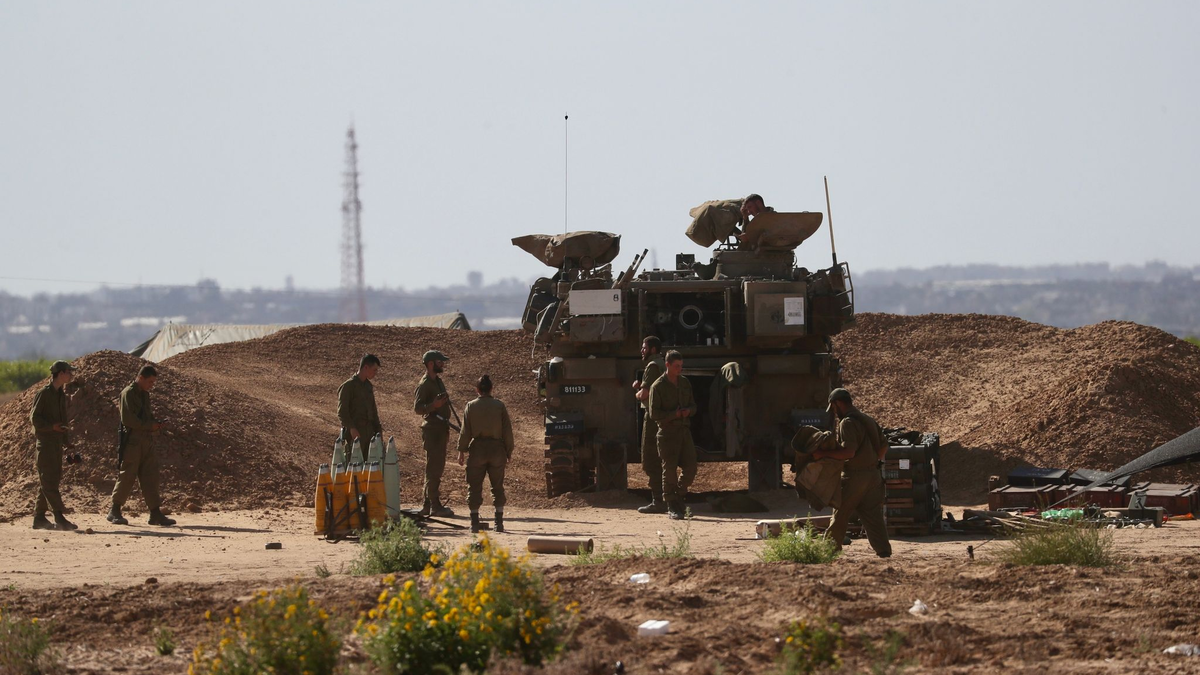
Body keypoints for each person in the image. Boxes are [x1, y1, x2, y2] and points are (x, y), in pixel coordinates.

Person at [813, 388, 891, 557]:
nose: (834, 412)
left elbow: (849, 452)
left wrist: (823, 454)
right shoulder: (868, 419)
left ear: (838, 403)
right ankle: (884, 552)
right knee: (873, 516)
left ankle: (829, 551)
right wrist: (872, 461)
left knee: (840, 514)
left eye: (833, 408)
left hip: (854, 476)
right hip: (874, 476)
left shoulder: (847, 423)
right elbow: (884, 446)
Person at [108, 365, 175, 527]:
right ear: (141, 378)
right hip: (133, 442)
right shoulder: (128, 393)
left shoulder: (144, 395)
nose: (151, 385)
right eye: (150, 381)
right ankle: (114, 510)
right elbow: (128, 420)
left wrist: (156, 424)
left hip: (146, 441)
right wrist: (148, 426)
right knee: (127, 475)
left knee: (150, 477)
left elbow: (147, 416)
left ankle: (155, 513)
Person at [456, 374, 514, 533]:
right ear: (491, 389)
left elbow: (465, 432)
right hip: (497, 449)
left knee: (474, 486)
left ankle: (474, 523)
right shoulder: (499, 406)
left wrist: (461, 451)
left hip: (477, 450)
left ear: (477, 390)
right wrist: (509, 451)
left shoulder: (470, 406)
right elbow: (507, 431)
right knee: (497, 486)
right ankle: (499, 523)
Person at [648, 350, 697, 520]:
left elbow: (694, 406)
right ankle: (671, 504)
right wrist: (673, 415)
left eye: (681, 366)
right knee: (669, 470)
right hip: (667, 433)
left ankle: (678, 495)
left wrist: (688, 411)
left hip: (684, 431)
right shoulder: (658, 386)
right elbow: (654, 414)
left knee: (691, 467)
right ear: (667, 365)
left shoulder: (684, 383)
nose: (680, 369)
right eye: (676, 366)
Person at [29, 360, 77, 531]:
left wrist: (66, 441)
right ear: (61, 373)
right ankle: (59, 516)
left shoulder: (60, 394)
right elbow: (34, 419)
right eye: (69, 372)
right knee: (49, 481)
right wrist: (51, 427)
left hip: (56, 443)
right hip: (46, 444)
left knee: (50, 481)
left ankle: (39, 518)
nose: (71, 375)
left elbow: (62, 421)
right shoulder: (44, 394)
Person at [413, 350, 454, 517]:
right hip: (432, 430)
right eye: (439, 362)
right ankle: (434, 505)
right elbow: (417, 408)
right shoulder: (424, 385)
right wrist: (433, 406)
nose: (442, 364)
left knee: (436, 468)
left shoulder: (437, 381)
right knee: (433, 469)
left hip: (440, 429)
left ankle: (428, 504)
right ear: (430, 364)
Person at [632, 336, 667, 514]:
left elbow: (644, 394)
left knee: (650, 458)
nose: (642, 350)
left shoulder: (652, 366)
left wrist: (637, 390)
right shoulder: (663, 364)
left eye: (644, 347)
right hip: (665, 416)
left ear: (653, 349)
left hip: (653, 416)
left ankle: (658, 501)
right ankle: (669, 498)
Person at [337, 354, 384, 460]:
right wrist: (352, 428)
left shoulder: (368, 386)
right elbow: (342, 412)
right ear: (366, 367)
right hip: (355, 433)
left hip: (369, 432)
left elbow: (373, 410)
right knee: (354, 466)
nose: (375, 373)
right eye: (374, 370)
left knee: (370, 466)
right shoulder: (348, 386)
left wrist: (378, 430)